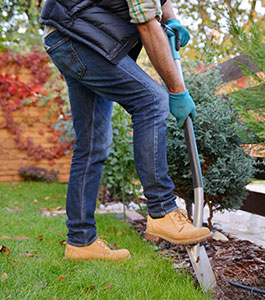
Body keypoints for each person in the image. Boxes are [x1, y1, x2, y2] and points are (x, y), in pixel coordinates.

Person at [39, 0, 211, 261]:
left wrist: (171, 18)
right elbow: (145, 23)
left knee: (92, 143)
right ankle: (161, 210)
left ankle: (81, 241)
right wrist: (178, 91)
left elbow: (158, 4)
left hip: (68, 36)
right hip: (79, 35)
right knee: (152, 100)